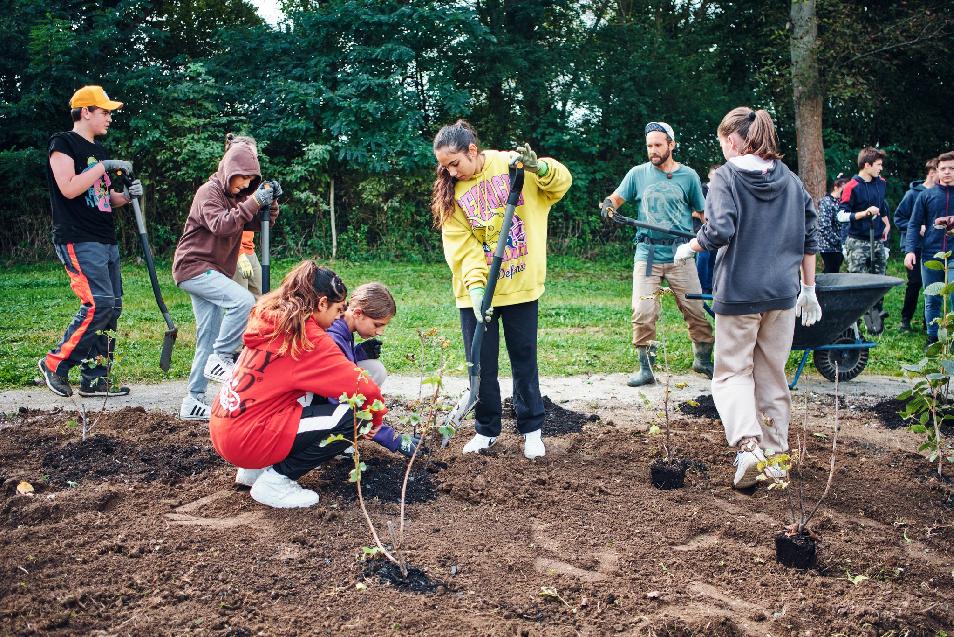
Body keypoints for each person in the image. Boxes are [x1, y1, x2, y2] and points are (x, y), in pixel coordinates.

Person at [675, 106, 820, 490]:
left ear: (735, 141)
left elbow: (720, 228)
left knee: (731, 373)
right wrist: (809, 289)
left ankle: (748, 445)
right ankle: (777, 460)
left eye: (723, 141)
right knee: (773, 376)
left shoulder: (726, 177)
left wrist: (693, 245)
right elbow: (810, 237)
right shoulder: (790, 180)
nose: (722, 149)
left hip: (740, 294)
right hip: (783, 296)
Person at [431, 119, 572, 460]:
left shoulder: (513, 165)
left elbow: (560, 184)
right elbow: (462, 249)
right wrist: (478, 289)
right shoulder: (452, 196)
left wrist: (541, 168)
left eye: (455, 163)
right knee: (481, 363)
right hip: (475, 292)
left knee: (524, 360)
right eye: (444, 167)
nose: (450, 173)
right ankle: (486, 431)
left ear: (473, 151)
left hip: (520, 285)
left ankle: (532, 431)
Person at [209, 261, 392, 508]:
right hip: (247, 437)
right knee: (360, 414)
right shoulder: (308, 336)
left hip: (225, 425)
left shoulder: (274, 318)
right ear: (322, 303)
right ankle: (277, 481)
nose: (339, 316)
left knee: (301, 395)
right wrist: (376, 419)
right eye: (338, 309)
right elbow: (362, 388)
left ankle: (255, 470)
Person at [39, 85, 141, 399]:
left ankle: (95, 380)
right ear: (86, 112)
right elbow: (69, 188)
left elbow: (103, 197)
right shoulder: (63, 143)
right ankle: (54, 363)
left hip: (104, 237)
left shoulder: (100, 152)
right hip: (78, 237)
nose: (109, 118)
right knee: (99, 304)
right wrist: (102, 167)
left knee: (113, 308)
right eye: (104, 112)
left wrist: (126, 196)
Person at [172, 134, 279, 421]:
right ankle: (222, 357)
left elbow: (255, 221)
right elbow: (221, 225)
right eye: (241, 178)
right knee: (243, 301)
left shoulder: (236, 197)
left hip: (210, 270)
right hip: (193, 267)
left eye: (249, 179)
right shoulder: (209, 192)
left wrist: (270, 201)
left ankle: (192, 401)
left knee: (206, 336)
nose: (245, 184)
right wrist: (253, 200)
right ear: (229, 170)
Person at [600, 121, 715, 387]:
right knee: (643, 310)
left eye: (658, 145)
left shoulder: (688, 177)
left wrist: (715, 229)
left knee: (695, 309)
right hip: (649, 252)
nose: (652, 150)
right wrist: (608, 205)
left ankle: (703, 360)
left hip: (680, 253)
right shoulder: (637, 174)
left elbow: (702, 212)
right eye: (649, 145)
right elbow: (616, 199)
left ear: (671, 145)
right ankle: (646, 368)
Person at [326, 282, 419, 456]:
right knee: (365, 381)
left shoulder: (342, 327)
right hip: (312, 410)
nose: (380, 332)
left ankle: (346, 435)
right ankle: (336, 440)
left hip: (325, 397)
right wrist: (391, 437)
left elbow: (339, 365)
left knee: (374, 369)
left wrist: (359, 353)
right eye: (377, 325)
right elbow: (340, 397)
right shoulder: (333, 337)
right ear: (358, 313)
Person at [838, 146, 892, 334]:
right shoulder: (851, 186)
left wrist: (886, 223)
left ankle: (875, 320)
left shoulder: (881, 183)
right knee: (857, 282)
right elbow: (841, 216)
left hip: (877, 239)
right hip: (858, 240)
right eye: (878, 165)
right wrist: (864, 213)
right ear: (866, 165)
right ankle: (854, 325)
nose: (880, 168)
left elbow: (881, 205)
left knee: (879, 280)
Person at [904, 151, 954, 346]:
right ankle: (933, 339)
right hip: (930, 255)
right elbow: (914, 224)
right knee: (932, 298)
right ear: (937, 171)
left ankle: (950, 337)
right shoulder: (926, 195)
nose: (947, 172)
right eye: (943, 169)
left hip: (953, 255)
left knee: (952, 295)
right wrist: (910, 251)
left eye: (951, 168)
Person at [894, 157, 938, 332]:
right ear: (932, 172)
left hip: (933, 247)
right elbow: (899, 219)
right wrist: (918, 227)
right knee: (915, 282)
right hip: (913, 246)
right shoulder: (912, 194)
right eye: (940, 170)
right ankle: (905, 320)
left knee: (933, 285)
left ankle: (931, 323)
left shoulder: (942, 194)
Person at [695, 164, 722, 294]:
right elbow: (693, 211)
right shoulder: (701, 190)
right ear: (709, 176)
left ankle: (710, 286)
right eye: (714, 175)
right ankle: (700, 287)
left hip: (717, 229)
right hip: (700, 228)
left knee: (714, 257)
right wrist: (707, 217)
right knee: (703, 257)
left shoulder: (723, 190)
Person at [816, 175, 850, 273]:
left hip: (839, 246)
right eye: (843, 189)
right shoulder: (826, 202)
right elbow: (823, 226)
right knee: (830, 271)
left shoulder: (842, 203)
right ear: (836, 187)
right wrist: (838, 240)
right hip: (828, 248)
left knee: (835, 270)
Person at [232, 231, 263, 298]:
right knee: (241, 298)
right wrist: (240, 254)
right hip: (236, 251)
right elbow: (228, 228)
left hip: (250, 249)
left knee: (261, 295)